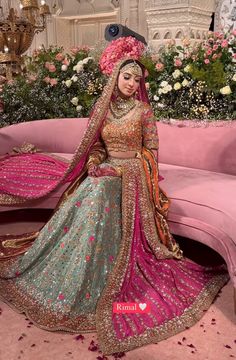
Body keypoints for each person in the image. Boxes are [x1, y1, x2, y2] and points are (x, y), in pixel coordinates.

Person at [0, 58, 229, 355]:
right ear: (116, 77)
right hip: (106, 170)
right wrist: (95, 164)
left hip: (133, 173)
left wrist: (125, 170)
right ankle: (70, 264)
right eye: (127, 77)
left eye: (137, 80)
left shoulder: (144, 111)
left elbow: (151, 152)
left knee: (99, 191)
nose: (132, 84)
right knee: (91, 188)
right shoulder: (102, 109)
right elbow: (96, 147)